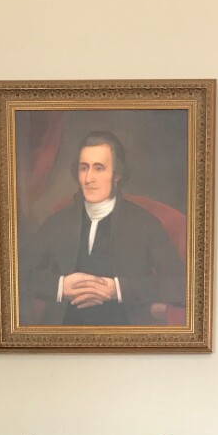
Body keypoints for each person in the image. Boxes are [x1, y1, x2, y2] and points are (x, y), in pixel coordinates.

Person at [19, 131, 186, 327]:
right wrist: (60, 287)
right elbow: (16, 274)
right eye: (84, 168)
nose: (89, 178)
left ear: (117, 174)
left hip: (125, 333)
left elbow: (181, 285)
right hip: (63, 334)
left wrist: (117, 289)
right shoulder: (57, 223)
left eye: (99, 168)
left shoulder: (145, 223)